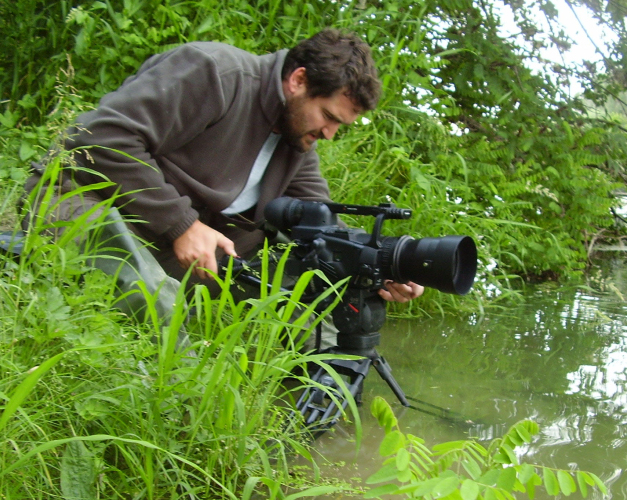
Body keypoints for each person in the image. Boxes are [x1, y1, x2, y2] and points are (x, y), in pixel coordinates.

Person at [23, 29, 423, 321]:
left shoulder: (298, 139)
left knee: (317, 290)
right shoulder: (215, 72)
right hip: (81, 199)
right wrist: (181, 224)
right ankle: (188, 409)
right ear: (298, 80)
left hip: (177, 245)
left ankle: (316, 411)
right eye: (329, 117)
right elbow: (99, 137)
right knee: (158, 304)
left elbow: (319, 222)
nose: (330, 134)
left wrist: (381, 265)